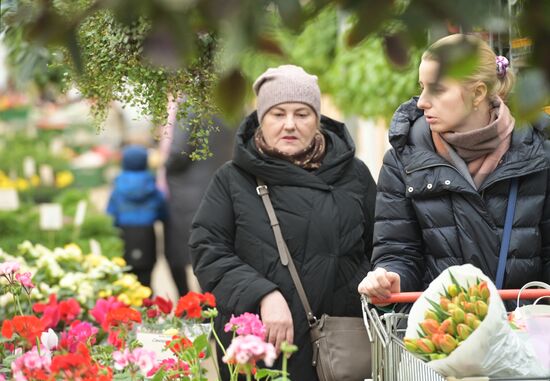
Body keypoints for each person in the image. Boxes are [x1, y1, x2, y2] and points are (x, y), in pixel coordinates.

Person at [189, 64, 376, 380]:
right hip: (261, 347)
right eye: (278, 114)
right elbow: (208, 251)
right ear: (261, 118)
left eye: (302, 114)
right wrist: (263, 293)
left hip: (338, 347)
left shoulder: (354, 175)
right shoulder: (232, 180)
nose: (290, 124)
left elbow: (382, 244)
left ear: (317, 118)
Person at [358, 34, 550, 304]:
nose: (422, 101)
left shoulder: (539, 154)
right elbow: (398, 252)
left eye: (436, 89)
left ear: (478, 93)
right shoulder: (403, 161)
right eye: (422, 87)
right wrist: (391, 277)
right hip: (442, 334)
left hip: (524, 334)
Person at [157, 108, 234, 296]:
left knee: (181, 253)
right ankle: (208, 308)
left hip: (189, 194)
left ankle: (189, 306)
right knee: (214, 253)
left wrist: (162, 163)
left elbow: (178, 152)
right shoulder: (231, 101)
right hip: (221, 187)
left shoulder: (191, 105)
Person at [107, 144, 167, 287]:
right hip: (147, 235)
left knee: (127, 279)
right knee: (147, 280)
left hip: (125, 234)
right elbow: (163, 212)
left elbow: (110, 213)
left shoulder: (118, 187)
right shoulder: (152, 186)